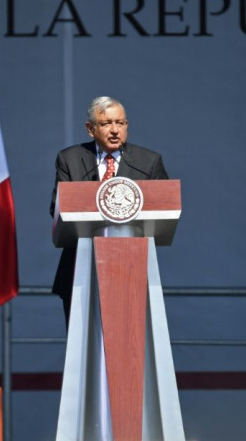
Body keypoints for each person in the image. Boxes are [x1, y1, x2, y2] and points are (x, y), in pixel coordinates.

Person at [50, 96, 169, 326]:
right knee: (84, 347)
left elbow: (163, 206)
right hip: (79, 269)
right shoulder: (70, 159)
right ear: (90, 129)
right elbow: (57, 208)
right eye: (106, 124)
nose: (115, 130)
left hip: (132, 268)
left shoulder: (148, 161)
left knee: (131, 343)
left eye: (120, 123)